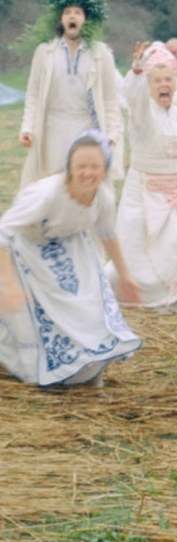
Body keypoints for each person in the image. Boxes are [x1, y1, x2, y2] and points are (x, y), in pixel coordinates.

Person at [0, 131, 142, 386]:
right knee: (36, 317)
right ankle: (55, 368)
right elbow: (3, 232)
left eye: (95, 166)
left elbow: (107, 233)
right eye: (81, 166)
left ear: (105, 169)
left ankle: (89, 366)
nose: (88, 173)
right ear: (69, 168)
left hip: (74, 248)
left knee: (91, 306)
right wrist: (8, 283)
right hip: (31, 248)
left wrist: (125, 275)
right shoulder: (46, 194)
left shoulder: (104, 196)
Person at [115, 43, 177, 313]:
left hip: (176, 193)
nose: (163, 84)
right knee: (139, 249)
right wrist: (136, 71)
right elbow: (133, 99)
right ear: (149, 85)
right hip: (143, 193)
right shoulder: (142, 114)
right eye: (157, 80)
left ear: (175, 83)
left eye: (168, 79)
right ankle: (146, 294)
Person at [18, 0, 124, 188]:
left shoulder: (101, 54)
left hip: (86, 128)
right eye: (67, 12)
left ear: (86, 20)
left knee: (83, 185)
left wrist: (111, 136)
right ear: (60, 20)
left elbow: (110, 99)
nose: (72, 16)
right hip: (52, 128)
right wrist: (27, 127)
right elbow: (33, 94)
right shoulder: (44, 52)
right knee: (52, 185)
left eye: (77, 13)